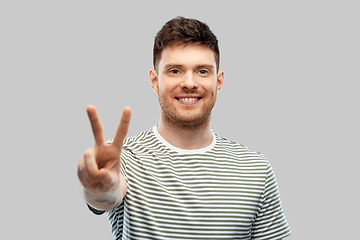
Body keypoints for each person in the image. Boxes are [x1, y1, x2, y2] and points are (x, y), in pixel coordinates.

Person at [77, 16, 291, 240]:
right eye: (175, 71)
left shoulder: (256, 169)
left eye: (202, 71)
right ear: (154, 80)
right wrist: (97, 188)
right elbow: (106, 195)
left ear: (218, 81)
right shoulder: (122, 157)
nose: (189, 83)